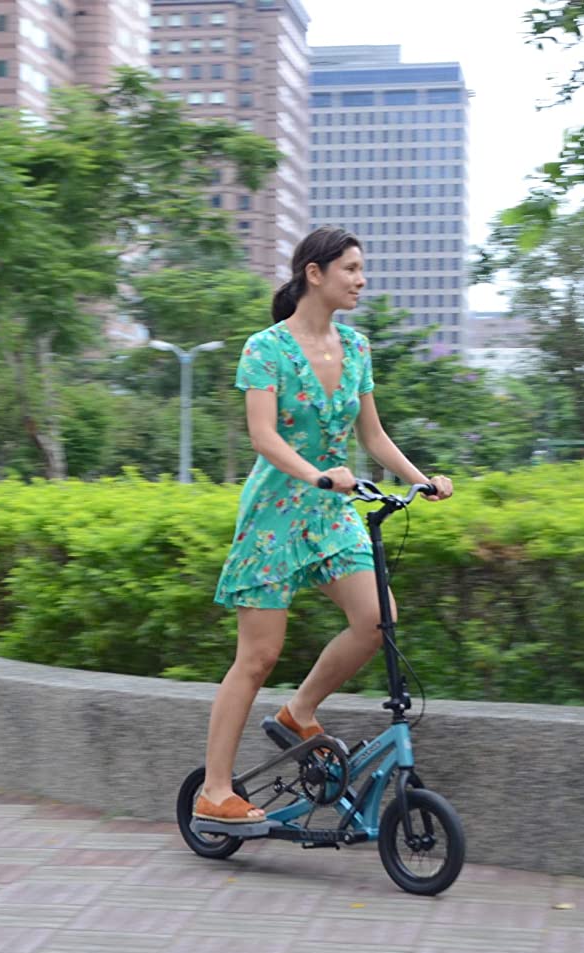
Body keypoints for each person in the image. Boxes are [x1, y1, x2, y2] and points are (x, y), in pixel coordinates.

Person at [195, 227, 453, 824]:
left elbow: (373, 435)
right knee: (258, 656)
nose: (362, 280)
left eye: (362, 269)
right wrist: (316, 475)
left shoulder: (356, 348)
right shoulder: (266, 348)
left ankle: (299, 711)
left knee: (377, 620)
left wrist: (422, 480)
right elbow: (262, 436)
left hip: (332, 512)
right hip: (276, 513)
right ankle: (214, 790)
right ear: (315, 273)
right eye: (351, 269)